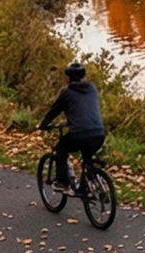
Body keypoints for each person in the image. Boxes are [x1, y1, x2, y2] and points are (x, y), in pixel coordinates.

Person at [37, 61, 107, 192]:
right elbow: (83, 109)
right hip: (99, 134)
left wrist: (43, 125)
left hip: (80, 135)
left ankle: (63, 183)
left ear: (68, 78)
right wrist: (71, 122)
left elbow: (54, 111)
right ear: (83, 75)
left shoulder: (66, 92)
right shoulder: (92, 88)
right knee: (87, 158)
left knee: (60, 150)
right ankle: (87, 186)